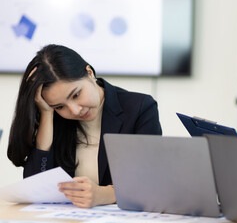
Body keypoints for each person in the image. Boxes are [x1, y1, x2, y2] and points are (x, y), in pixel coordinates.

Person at [7, 44, 162, 208]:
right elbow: (36, 190)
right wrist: (46, 114)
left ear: (89, 73)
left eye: (76, 94)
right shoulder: (55, 119)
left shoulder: (140, 108)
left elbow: (149, 183)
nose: (74, 110)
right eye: (59, 106)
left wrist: (105, 194)